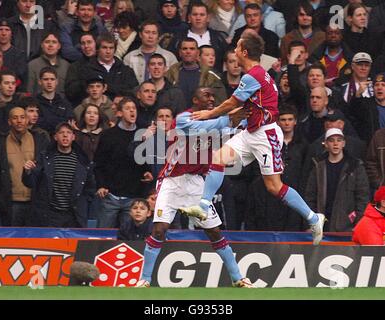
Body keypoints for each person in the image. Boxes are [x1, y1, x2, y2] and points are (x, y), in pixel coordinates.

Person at [180, 31, 325, 245]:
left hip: (266, 135)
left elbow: (231, 103)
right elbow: (255, 105)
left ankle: (313, 218)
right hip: (252, 132)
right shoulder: (259, 74)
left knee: (274, 187)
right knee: (218, 159)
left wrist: (208, 114)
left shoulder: (253, 76)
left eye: (237, 47)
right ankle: (203, 206)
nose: (235, 50)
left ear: (244, 52)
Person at [135, 86, 254, 288]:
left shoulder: (216, 121)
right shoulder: (182, 119)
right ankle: (144, 280)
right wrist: (230, 116)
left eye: (213, 96)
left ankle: (238, 278)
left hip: (198, 183)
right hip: (172, 181)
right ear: (194, 99)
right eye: (206, 95)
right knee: (159, 229)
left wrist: (247, 112)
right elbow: (207, 127)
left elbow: (236, 127)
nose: (211, 99)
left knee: (214, 232)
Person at [94, 97, 153, 228]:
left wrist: (147, 172)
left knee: (129, 239)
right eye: (127, 108)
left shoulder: (144, 134)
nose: (132, 111)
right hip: (111, 196)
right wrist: (101, 185)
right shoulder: (108, 135)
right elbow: (99, 164)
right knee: (103, 237)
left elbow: (146, 162)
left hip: (133, 198)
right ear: (119, 113)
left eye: (134, 109)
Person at [22, 122, 95, 228]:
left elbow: (90, 187)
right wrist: (27, 171)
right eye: (61, 132)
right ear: (55, 137)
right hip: (49, 215)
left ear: (73, 137)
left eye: (68, 132)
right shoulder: (45, 157)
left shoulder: (83, 161)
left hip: (73, 216)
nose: (65, 135)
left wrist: (83, 204)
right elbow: (30, 183)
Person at [0, 107, 49, 226]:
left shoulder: (39, 139)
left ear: (27, 120)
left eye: (22, 117)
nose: (19, 121)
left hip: (34, 203)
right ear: (9, 122)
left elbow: (46, 170)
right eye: (15, 118)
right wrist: (0, 200)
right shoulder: (0, 141)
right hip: (10, 204)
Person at [305, 128, 370, 232]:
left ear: (343, 143)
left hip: (347, 225)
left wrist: (358, 223)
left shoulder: (355, 166)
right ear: (326, 144)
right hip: (321, 225)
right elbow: (310, 197)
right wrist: (312, 223)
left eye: (339, 140)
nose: (335, 144)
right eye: (331, 140)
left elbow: (362, 197)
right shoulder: (318, 167)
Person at [27, 32, 70, 96]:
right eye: (47, 42)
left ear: (59, 46)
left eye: (54, 42)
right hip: (38, 104)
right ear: (42, 45)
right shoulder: (32, 65)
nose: (50, 45)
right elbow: (29, 90)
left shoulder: (66, 65)